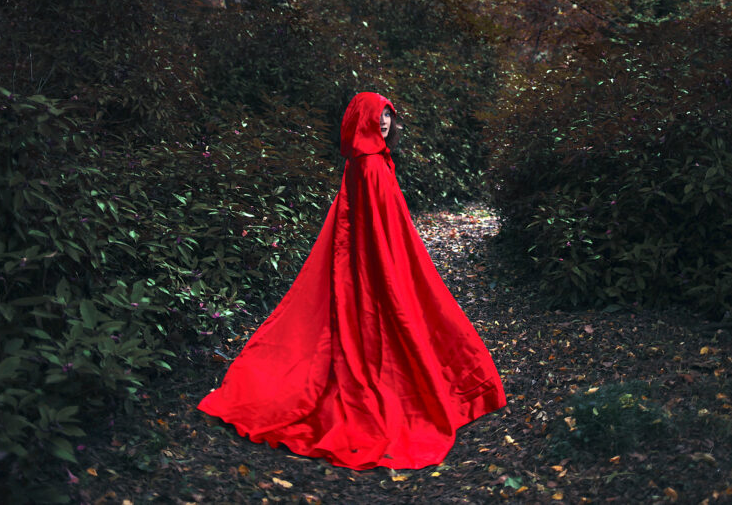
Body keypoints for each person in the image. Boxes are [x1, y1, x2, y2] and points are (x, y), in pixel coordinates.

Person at [197, 92, 506, 470]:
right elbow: (373, 227)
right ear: (362, 120)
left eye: (389, 117)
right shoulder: (370, 165)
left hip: (367, 260)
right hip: (372, 264)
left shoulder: (367, 162)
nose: (385, 123)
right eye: (378, 117)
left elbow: (378, 223)